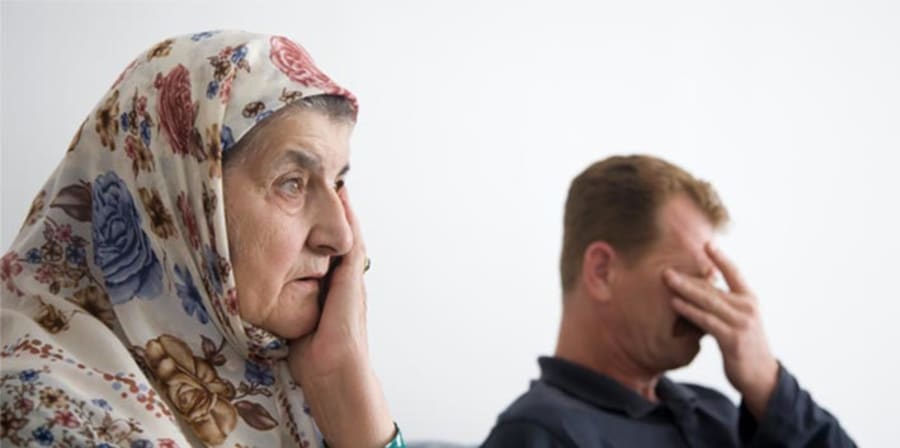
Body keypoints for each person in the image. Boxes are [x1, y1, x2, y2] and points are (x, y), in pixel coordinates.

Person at [0, 30, 405, 447]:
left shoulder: (284, 377)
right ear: (179, 200)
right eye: (292, 184)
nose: (340, 236)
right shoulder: (40, 410)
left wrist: (352, 400)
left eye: (337, 182)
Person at [482, 155, 855, 447]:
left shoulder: (719, 413)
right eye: (691, 277)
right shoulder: (539, 433)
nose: (713, 300)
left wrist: (768, 385)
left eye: (713, 278)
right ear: (601, 271)